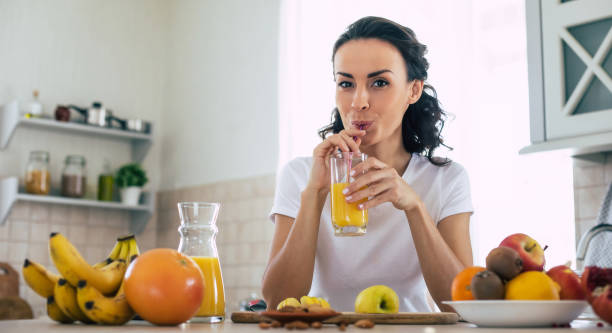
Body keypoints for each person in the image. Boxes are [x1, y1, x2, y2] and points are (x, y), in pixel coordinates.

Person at [262, 16, 473, 313]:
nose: (358, 101)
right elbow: (276, 301)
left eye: (379, 82)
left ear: (413, 90)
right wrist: (314, 195)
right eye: (346, 83)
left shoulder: (446, 178)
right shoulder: (301, 175)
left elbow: (462, 306)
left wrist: (414, 206)